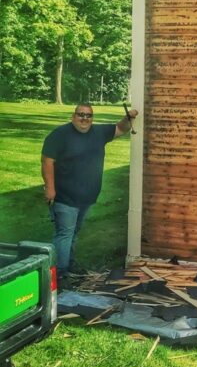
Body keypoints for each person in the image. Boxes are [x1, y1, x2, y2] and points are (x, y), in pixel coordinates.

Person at [41, 103, 139, 287]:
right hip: (65, 196)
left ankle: (68, 265)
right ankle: (59, 274)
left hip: (87, 197)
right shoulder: (60, 135)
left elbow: (120, 128)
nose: (84, 119)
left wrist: (128, 118)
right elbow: (47, 161)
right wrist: (50, 187)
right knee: (64, 233)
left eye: (88, 115)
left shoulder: (99, 132)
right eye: (81, 115)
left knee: (74, 232)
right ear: (73, 116)